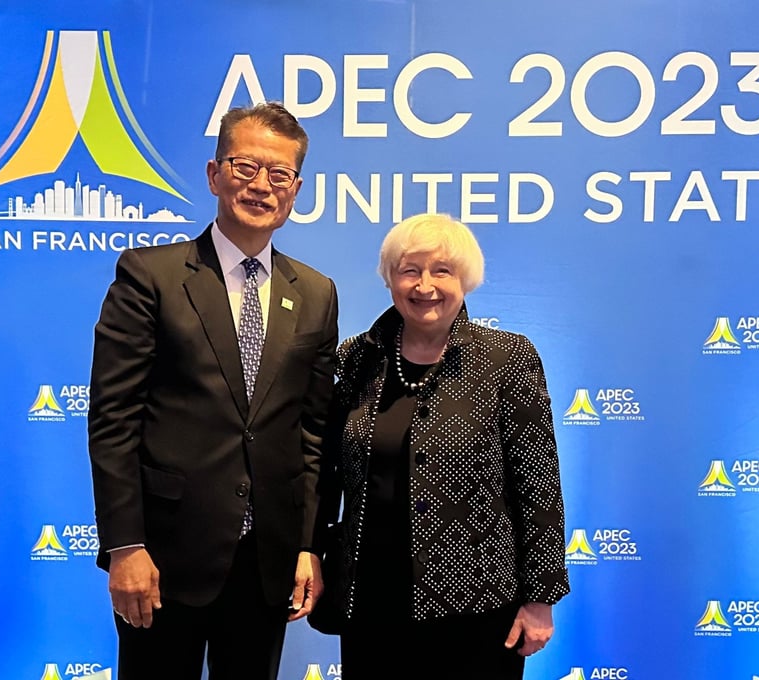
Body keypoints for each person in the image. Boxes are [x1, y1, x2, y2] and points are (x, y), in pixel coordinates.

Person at [87, 101, 338, 680]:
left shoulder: (317, 293)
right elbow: (113, 420)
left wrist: (307, 545)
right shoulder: (150, 275)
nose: (261, 186)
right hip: (163, 558)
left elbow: (312, 433)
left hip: (267, 562)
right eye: (246, 167)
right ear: (214, 173)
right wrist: (125, 545)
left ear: (295, 189)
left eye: (279, 175)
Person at [313, 213, 569, 679]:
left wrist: (540, 598)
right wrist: (309, 548)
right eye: (409, 270)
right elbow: (324, 473)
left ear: (466, 279)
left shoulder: (506, 359)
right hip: (371, 598)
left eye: (442, 271)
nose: (424, 285)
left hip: (477, 605)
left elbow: (538, 487)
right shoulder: (355, 358)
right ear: (390, 278)